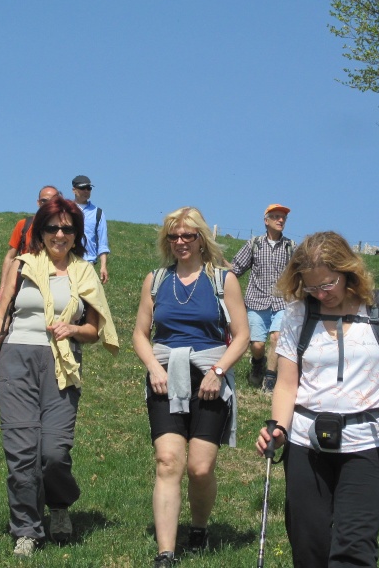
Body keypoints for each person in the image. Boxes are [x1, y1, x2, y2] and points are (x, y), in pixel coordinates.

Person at [255, 231, 379, 568]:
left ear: (348, 271)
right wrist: (278, 429)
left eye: (327, 284)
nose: (321, 294)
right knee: (309, 548)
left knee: (353, 550)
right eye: (312, 286)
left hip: (368, 443)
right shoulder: (298, 314)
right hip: (306, 443)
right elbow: (286, 385)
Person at [0, 196, 119, 559]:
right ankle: (26, 528)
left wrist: (72, 329)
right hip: (16, 357)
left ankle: (58, 504)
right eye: (52, 228)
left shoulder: (84, 273)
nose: (59, 234)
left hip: (62, 363)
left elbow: (94, 329)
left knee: (54, 452)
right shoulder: (23, 265)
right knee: (21, 451)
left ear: (76, 235)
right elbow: (2, 315)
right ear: (40, 233)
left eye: (67, 229)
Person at [133, 207, 250, 568]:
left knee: (199, 467)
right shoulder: (155, 280)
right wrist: (153, 367)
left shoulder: (223, 279)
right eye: (173, 236)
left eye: (188, 236)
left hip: (210, 375)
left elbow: (243, 335)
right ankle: (165, 553)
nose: (181, 242)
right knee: (168, 461)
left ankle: (199, 527)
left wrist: (218, 371)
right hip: (165, 375)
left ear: (201, 238)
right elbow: (140, 333)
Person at [231, 203, 294, 392]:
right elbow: (235, 268)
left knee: (277, 337)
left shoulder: (291, 247)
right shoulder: (254, 244)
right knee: (257, 345)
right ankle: (258, 363)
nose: (280, 220)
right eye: (276, 217)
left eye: (283, 217)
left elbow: (300, 273)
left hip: (282, 301)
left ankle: (270, 378)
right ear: (266, 221)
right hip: (256, 302)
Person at [0, 185, 60, 303]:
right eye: (43, 201)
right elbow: (10, 257)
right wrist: (3, 288)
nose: (47, 204)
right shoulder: (24, 225)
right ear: (38, 202)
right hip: (23, 280)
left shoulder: (62, 230)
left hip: (52, 281)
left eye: (52, 201)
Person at [71, 175, 110, 284]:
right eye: (83, 188)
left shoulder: (98, 213)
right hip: (67, 261)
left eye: (89, 188)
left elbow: (103, 242)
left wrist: (103, 266)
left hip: (88, 263)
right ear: (74, 190)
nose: (86, 191)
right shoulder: (66, 210)